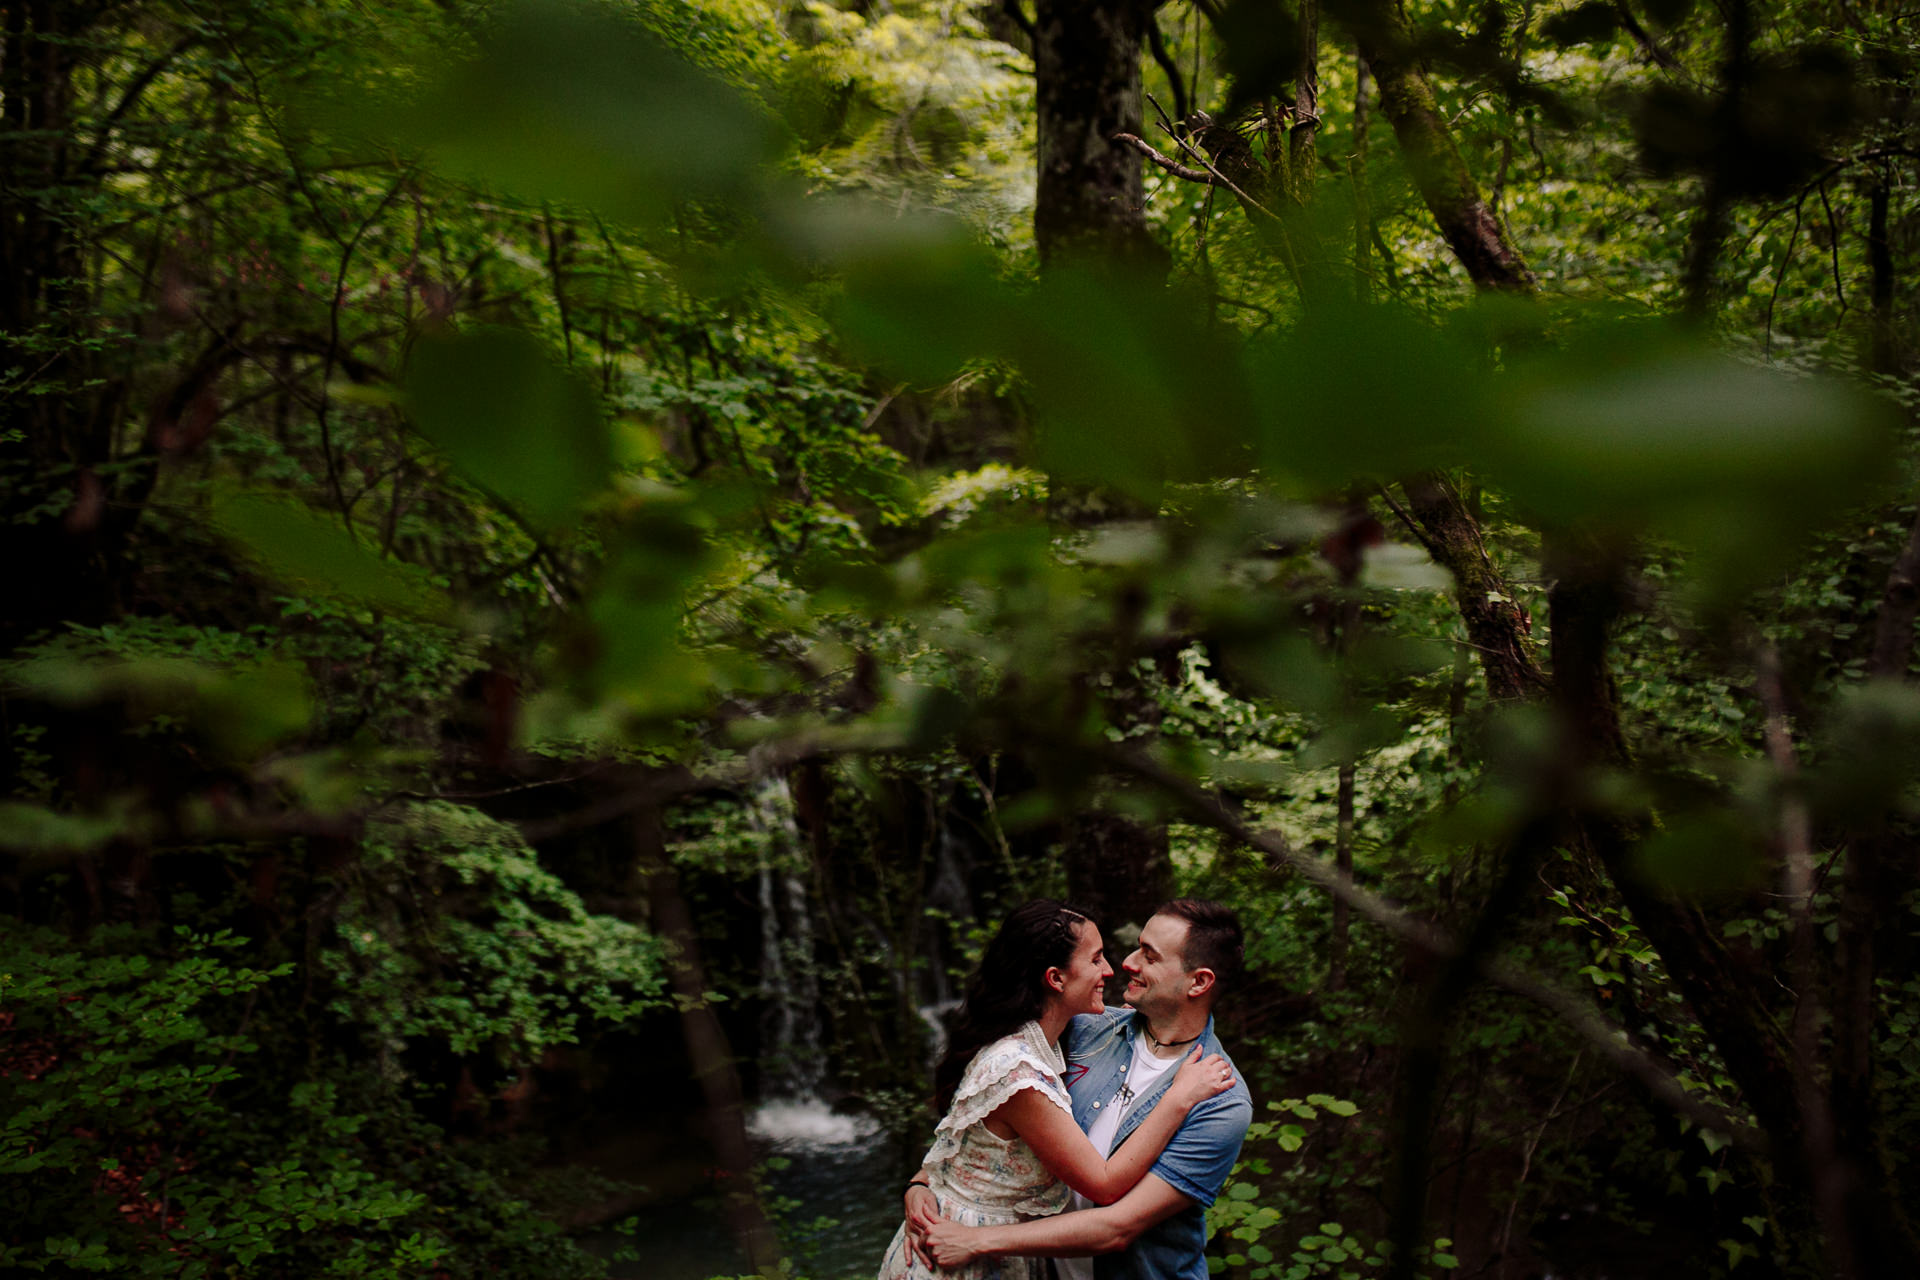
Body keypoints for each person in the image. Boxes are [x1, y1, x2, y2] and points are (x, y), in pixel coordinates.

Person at [877, 900, 1237, 1280]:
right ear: (1055, 979)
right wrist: (922, 1183)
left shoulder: (1219, 1100)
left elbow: (1117, 1226)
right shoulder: (1076, 1033)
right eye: (1098, 959)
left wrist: (956, 1212)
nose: (1120, 966)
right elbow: (981, 1122)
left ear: (1199, 981)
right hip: (963, 1249)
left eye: (1148, 954)